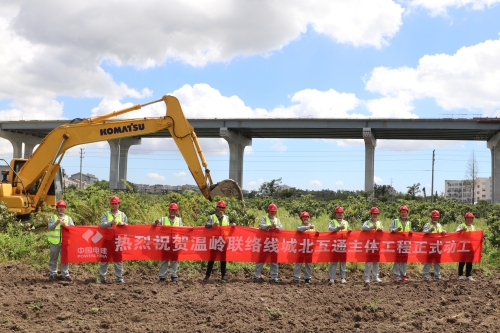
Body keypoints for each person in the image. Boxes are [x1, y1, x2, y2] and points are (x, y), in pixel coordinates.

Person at [204, 200, 235, 282]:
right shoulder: (211, 217)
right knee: (211, 259)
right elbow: (206, 226)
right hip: (214, 240)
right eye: (219, 207)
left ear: (224, 208)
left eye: (222, 207)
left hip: (223, 240)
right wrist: (212, 225)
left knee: (223, 258)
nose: (221, 208)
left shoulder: (227, 218)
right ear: (217, 207)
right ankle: (207, 276)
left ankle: (223, 275)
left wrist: (232, 226)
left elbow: (228, 227)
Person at [99, 195, 128, 284]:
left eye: (115, 203)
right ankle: (102, 278)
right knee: (104, 260)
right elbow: (102, 225)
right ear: (110, 204)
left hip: (118, 241)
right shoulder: (106, 214)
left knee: (118, 260)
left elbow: (128, 226)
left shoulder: (122, 215)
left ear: (118, 204)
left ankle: (119, 278)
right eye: (112, 203)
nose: (114, 205)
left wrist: (123, 224)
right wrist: (110, 223)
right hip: (107, 240)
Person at [253, 203, 283, 283]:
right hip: (265, 242)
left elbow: (281, 228)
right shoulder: (264, 218)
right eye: (271, 211)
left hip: (274, 243)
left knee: (274, 261)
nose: (273, 213)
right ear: (268, 211)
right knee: (261, 260)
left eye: (274, 211)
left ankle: (274, 277)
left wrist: (276, 228)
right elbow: (262, 226)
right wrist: (269, 226)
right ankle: (256, 276)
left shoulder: (277, 220)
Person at [154, 202, 183, 282]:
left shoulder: (179, 220)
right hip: (165, 243)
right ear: (169, 210)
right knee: (164, 260)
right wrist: (156, 222)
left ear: (177, 211)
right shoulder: (163, 219)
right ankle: (162, 276)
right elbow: (154, 225)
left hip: (175, 243)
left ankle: (174, 275)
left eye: (174, 210)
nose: (173, 211)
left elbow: (183, 230)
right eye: (171, 210)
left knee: (174, 260)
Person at [47, 200, 75, 281]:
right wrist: (56, 223)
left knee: (65, 259)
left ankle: (65, 274)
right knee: (53, 259)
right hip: (54, 242)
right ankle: (53, 274)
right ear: (57, 208)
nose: (61, 208)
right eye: (59, 207)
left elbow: (73, 229)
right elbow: (50, 228)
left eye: (63, 207)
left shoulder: (68, 218)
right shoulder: (53, 217)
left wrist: (65, 225)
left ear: (65, 208)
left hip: (65, 242)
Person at [389, 205, 412, 282]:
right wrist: (396, 229)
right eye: (402, 212)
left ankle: (403, 275)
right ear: (400, 213)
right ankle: (396, 275)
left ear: (407, 213)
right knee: (397, 260)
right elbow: (390, 230)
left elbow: (410, 232)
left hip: (406, 244)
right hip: (397, 243)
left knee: (404, 260)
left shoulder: (409, 222)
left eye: (405, 212)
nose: (403, 214)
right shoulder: (395, 221)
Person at [328, 206, 350, 284]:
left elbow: (348, 230)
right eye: (338, 213)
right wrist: (338, 227)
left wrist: (350, 231)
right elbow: (330, 229)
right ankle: (332, 278)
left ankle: (343, 277)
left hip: (343, 244)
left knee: (343, 262)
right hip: (335, 244)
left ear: (343, 213)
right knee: (334, 262)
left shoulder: (346, 222)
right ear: (335, 214)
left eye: (341, 213)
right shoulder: (332, 222)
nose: (340, 214)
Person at [422, 210, 447, 280]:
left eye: (436, 217)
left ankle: (437, 276)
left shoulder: (439, 225)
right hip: (429, 246)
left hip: (438, 245)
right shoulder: (427, 225)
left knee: (437, 261)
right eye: (434, 217)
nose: (435, 219)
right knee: (428, 261)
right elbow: (423, 233)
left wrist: (444, 232)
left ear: (438, 218)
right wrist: (430, 230)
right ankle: (425, 276)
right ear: (431, 217)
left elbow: (441, 234)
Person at [362, 207, 383, 283]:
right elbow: (364, 228)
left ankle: (375, 277)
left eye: (376, 214)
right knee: (368, 262)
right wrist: (371, 227)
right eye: (373, 214)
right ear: (371, 214)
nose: (375, 215)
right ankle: (367, 278)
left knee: (376, 262)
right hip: (369, 244)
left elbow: (383, 231)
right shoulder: (367, 222)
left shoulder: (379, 223)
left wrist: (381, 230)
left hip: (377, 244)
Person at [293, 211, 315, 284]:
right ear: (301, 219)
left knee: (308, 263)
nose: (305, 218)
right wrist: (308, 227)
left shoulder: (312, 228)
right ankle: (296, 278)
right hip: (301, 248)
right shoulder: (300, 226)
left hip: (309, 248)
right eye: (303, 217)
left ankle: (307, 278)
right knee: (298, 263)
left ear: (308, 218)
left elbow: (314, 237)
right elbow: (300, 229)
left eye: (306, 217)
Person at [456, 212, 476, 281]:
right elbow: (455, 234)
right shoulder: (461, 225)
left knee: (469, 261)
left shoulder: (473, 227)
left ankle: (468, 275)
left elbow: (474, 237)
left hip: (470, 246)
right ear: (465, 219)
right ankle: (460, 275)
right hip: (462, 246)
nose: (469, 220)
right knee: (462, 261)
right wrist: (462, 230)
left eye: (471, 219)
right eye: (468, 218)